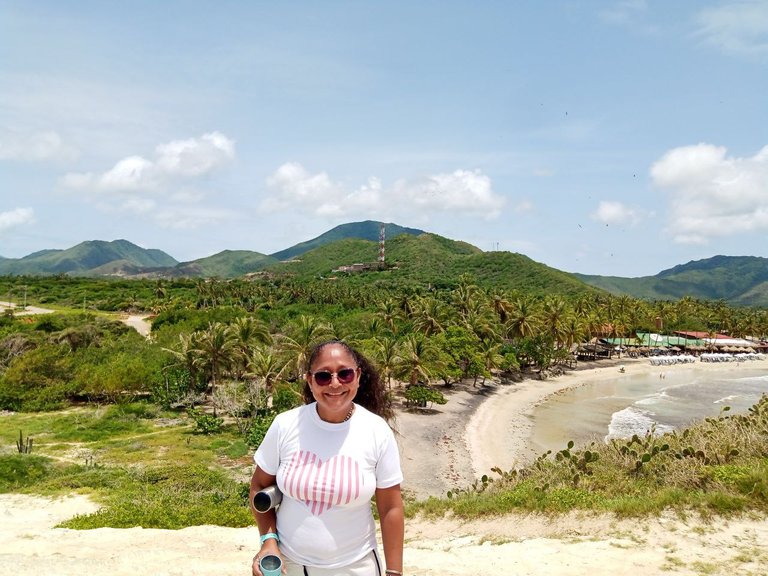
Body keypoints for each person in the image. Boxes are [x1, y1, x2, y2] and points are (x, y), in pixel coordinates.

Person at [250, 340, 404, 576]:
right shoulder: (286, 425)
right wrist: (268, 540)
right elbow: (259, 486)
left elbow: (390, 507)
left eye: (345, 374)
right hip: (290, 566)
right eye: (323, 376)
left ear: (358, 376)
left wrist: (394, 572)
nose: (335, 383)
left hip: (356, 566)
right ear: (310, 380)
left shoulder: (376, 430)